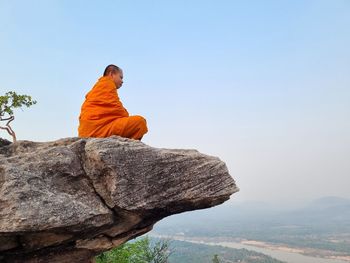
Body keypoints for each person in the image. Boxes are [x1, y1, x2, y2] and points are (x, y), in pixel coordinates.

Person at [78, 64, 148, 140]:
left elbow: (111, 108)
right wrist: (125, 115)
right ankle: (128, 147)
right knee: (140, 122)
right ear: (111, 74)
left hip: (86, 132)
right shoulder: (107, 84)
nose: (122, 81)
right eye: (120, 77)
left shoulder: (98, 86)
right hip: (98, 130)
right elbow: (117, 109)